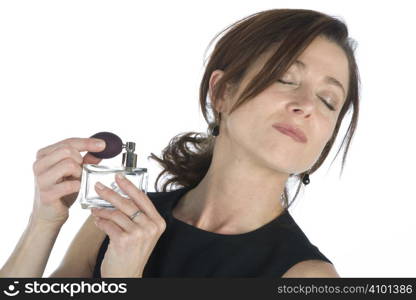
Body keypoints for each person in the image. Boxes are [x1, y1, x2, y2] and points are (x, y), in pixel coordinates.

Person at [0, 8, 359, 278]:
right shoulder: (115, 220)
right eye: (285, 78)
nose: (307, 106)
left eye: (328, 100)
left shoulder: (308, 277)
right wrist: (44, 223)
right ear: (221, 92)